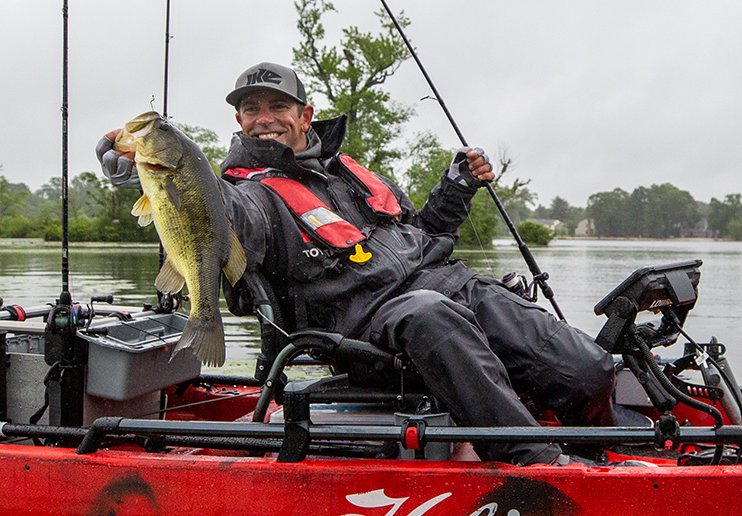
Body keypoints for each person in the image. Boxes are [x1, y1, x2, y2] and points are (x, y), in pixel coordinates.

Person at [99, 60, 615, 465]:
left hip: (448, 291)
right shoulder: (245, 193)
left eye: (278, 105)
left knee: (588, 370)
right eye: (252, 108)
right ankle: (538, 464)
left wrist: (456, 185)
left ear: (305, 115)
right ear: (239, 121)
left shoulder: (350, 175)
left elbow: (424, 235)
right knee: (429, 314)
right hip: (369, 328)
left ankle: (607, 452)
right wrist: (144, 178)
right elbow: (216, 219)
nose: (265, 117)